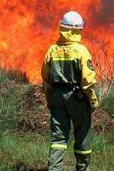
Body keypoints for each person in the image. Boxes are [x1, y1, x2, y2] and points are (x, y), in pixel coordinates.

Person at [41, 11, 99, 171]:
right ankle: (82, 168)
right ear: (77, 30)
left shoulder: (52, 50)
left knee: (58, 137)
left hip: (56, 96)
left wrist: (49, 98)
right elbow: (87, 81)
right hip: (77, 97)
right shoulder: (81, 51)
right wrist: (92, 100)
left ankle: (54, 169)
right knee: (83, 135)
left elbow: (45, 79)